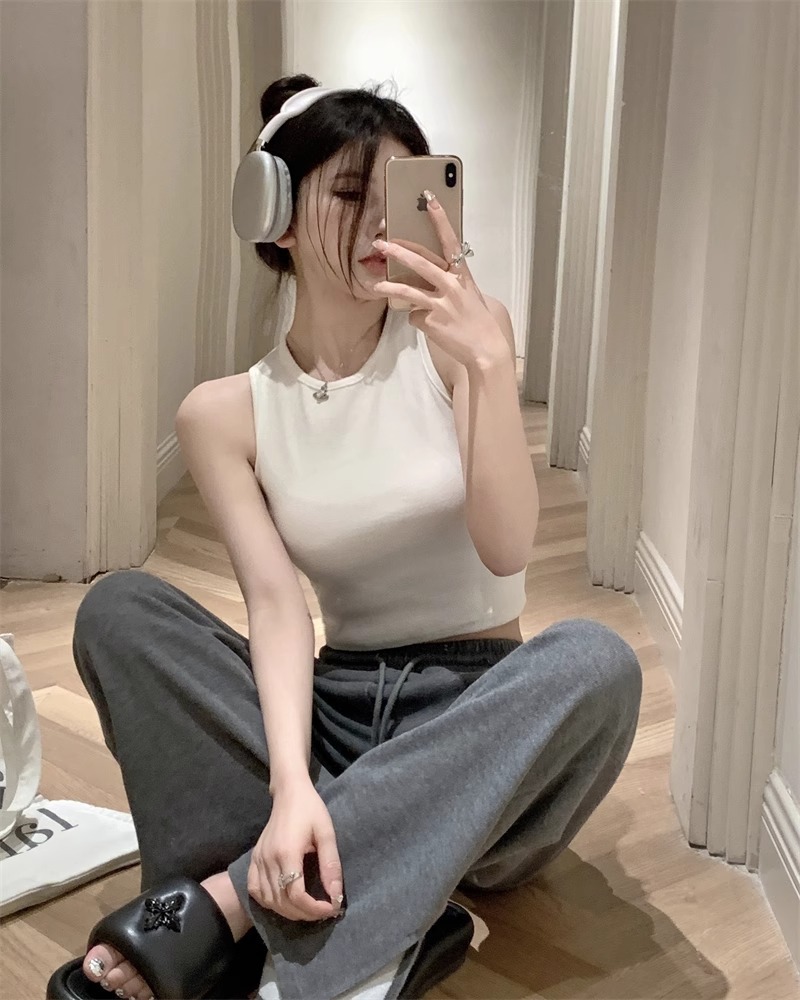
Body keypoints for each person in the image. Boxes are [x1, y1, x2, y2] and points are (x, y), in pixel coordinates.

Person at [47, 76, 642, 1000]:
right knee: (120, 611)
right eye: (351, 193)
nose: (380, 222)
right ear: (276, 215)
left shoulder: (458, 346)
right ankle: (378, 889)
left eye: (401, 193)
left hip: (481, 729)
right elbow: (277, 606)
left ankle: (231, 906)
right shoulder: (225, 413)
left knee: (596, 664)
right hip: (336, 711)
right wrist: (292, 781)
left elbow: (507, 548)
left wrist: (489, 363)